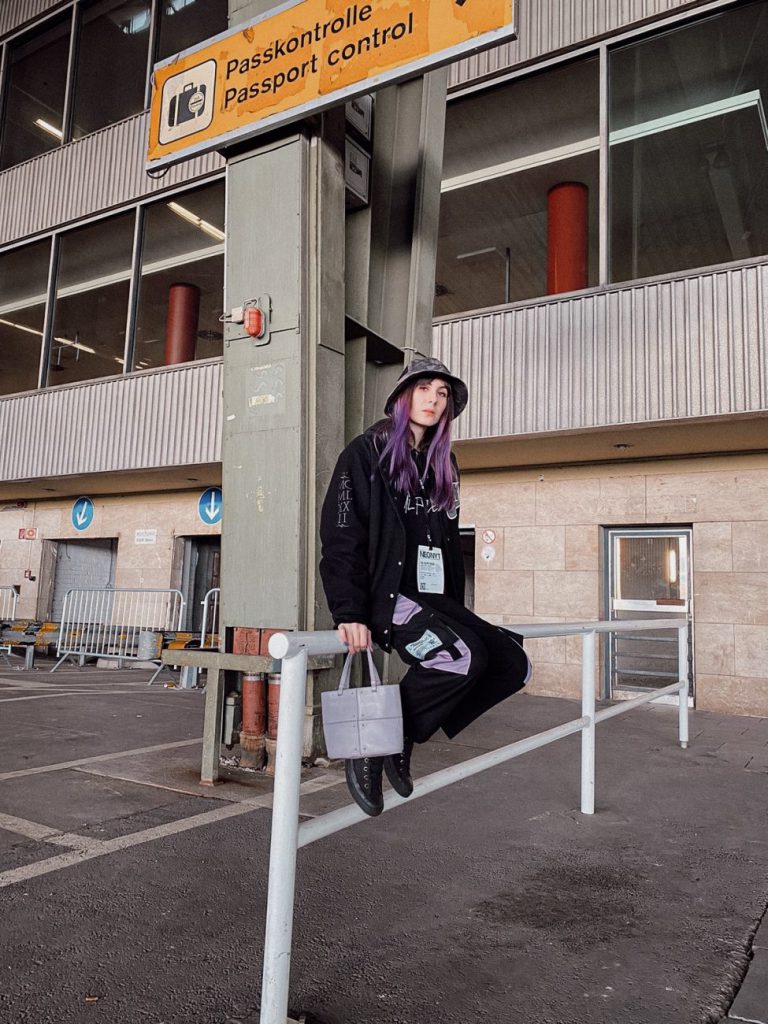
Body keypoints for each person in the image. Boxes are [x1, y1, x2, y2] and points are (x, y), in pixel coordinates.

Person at [319, 358, 531, 816]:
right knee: (460, 657)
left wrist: (455, 608)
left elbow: (447, 542)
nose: (434, 400)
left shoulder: (443, 464)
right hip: (389, 595)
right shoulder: (365, 452)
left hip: (433, 597)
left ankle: (399, 738)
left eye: (442, 394)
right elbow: (341, 536)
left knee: (510, 662)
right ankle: (377, 749)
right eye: (424, 389)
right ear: (403, 396)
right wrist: (348, 611)